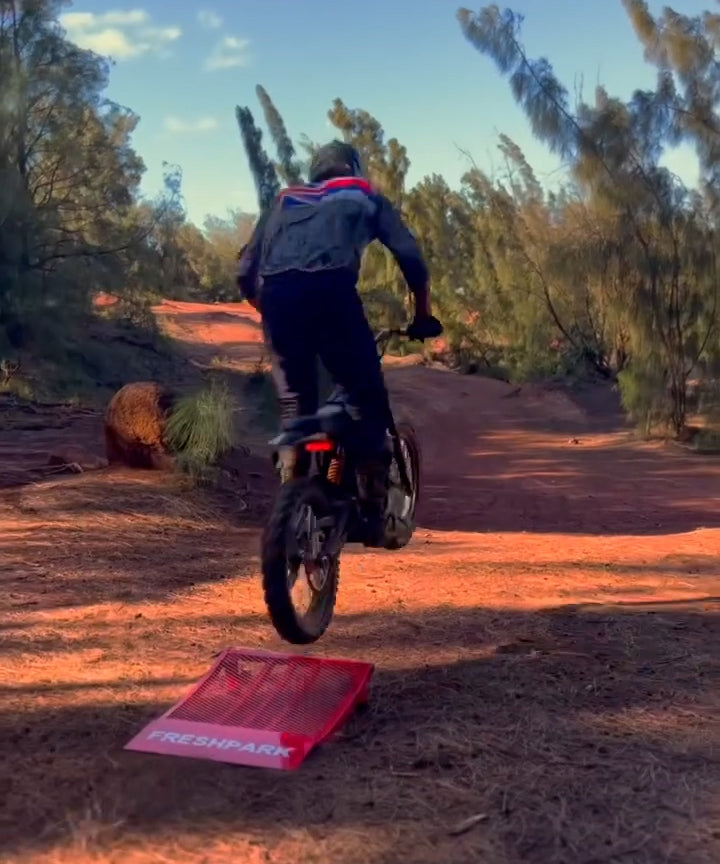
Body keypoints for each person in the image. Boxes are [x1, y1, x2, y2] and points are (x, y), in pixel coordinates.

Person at [236, 140, 442, 546]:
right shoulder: (364, 194)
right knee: (365, 398)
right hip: (332, 294)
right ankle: (372, 507)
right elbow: (410, 255)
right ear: (354, 166)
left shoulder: (285, 199)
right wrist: (422, 315)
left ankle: (294, 469)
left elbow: (245, 271)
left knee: (296, 403)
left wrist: (275, 313)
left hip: (278, 299)